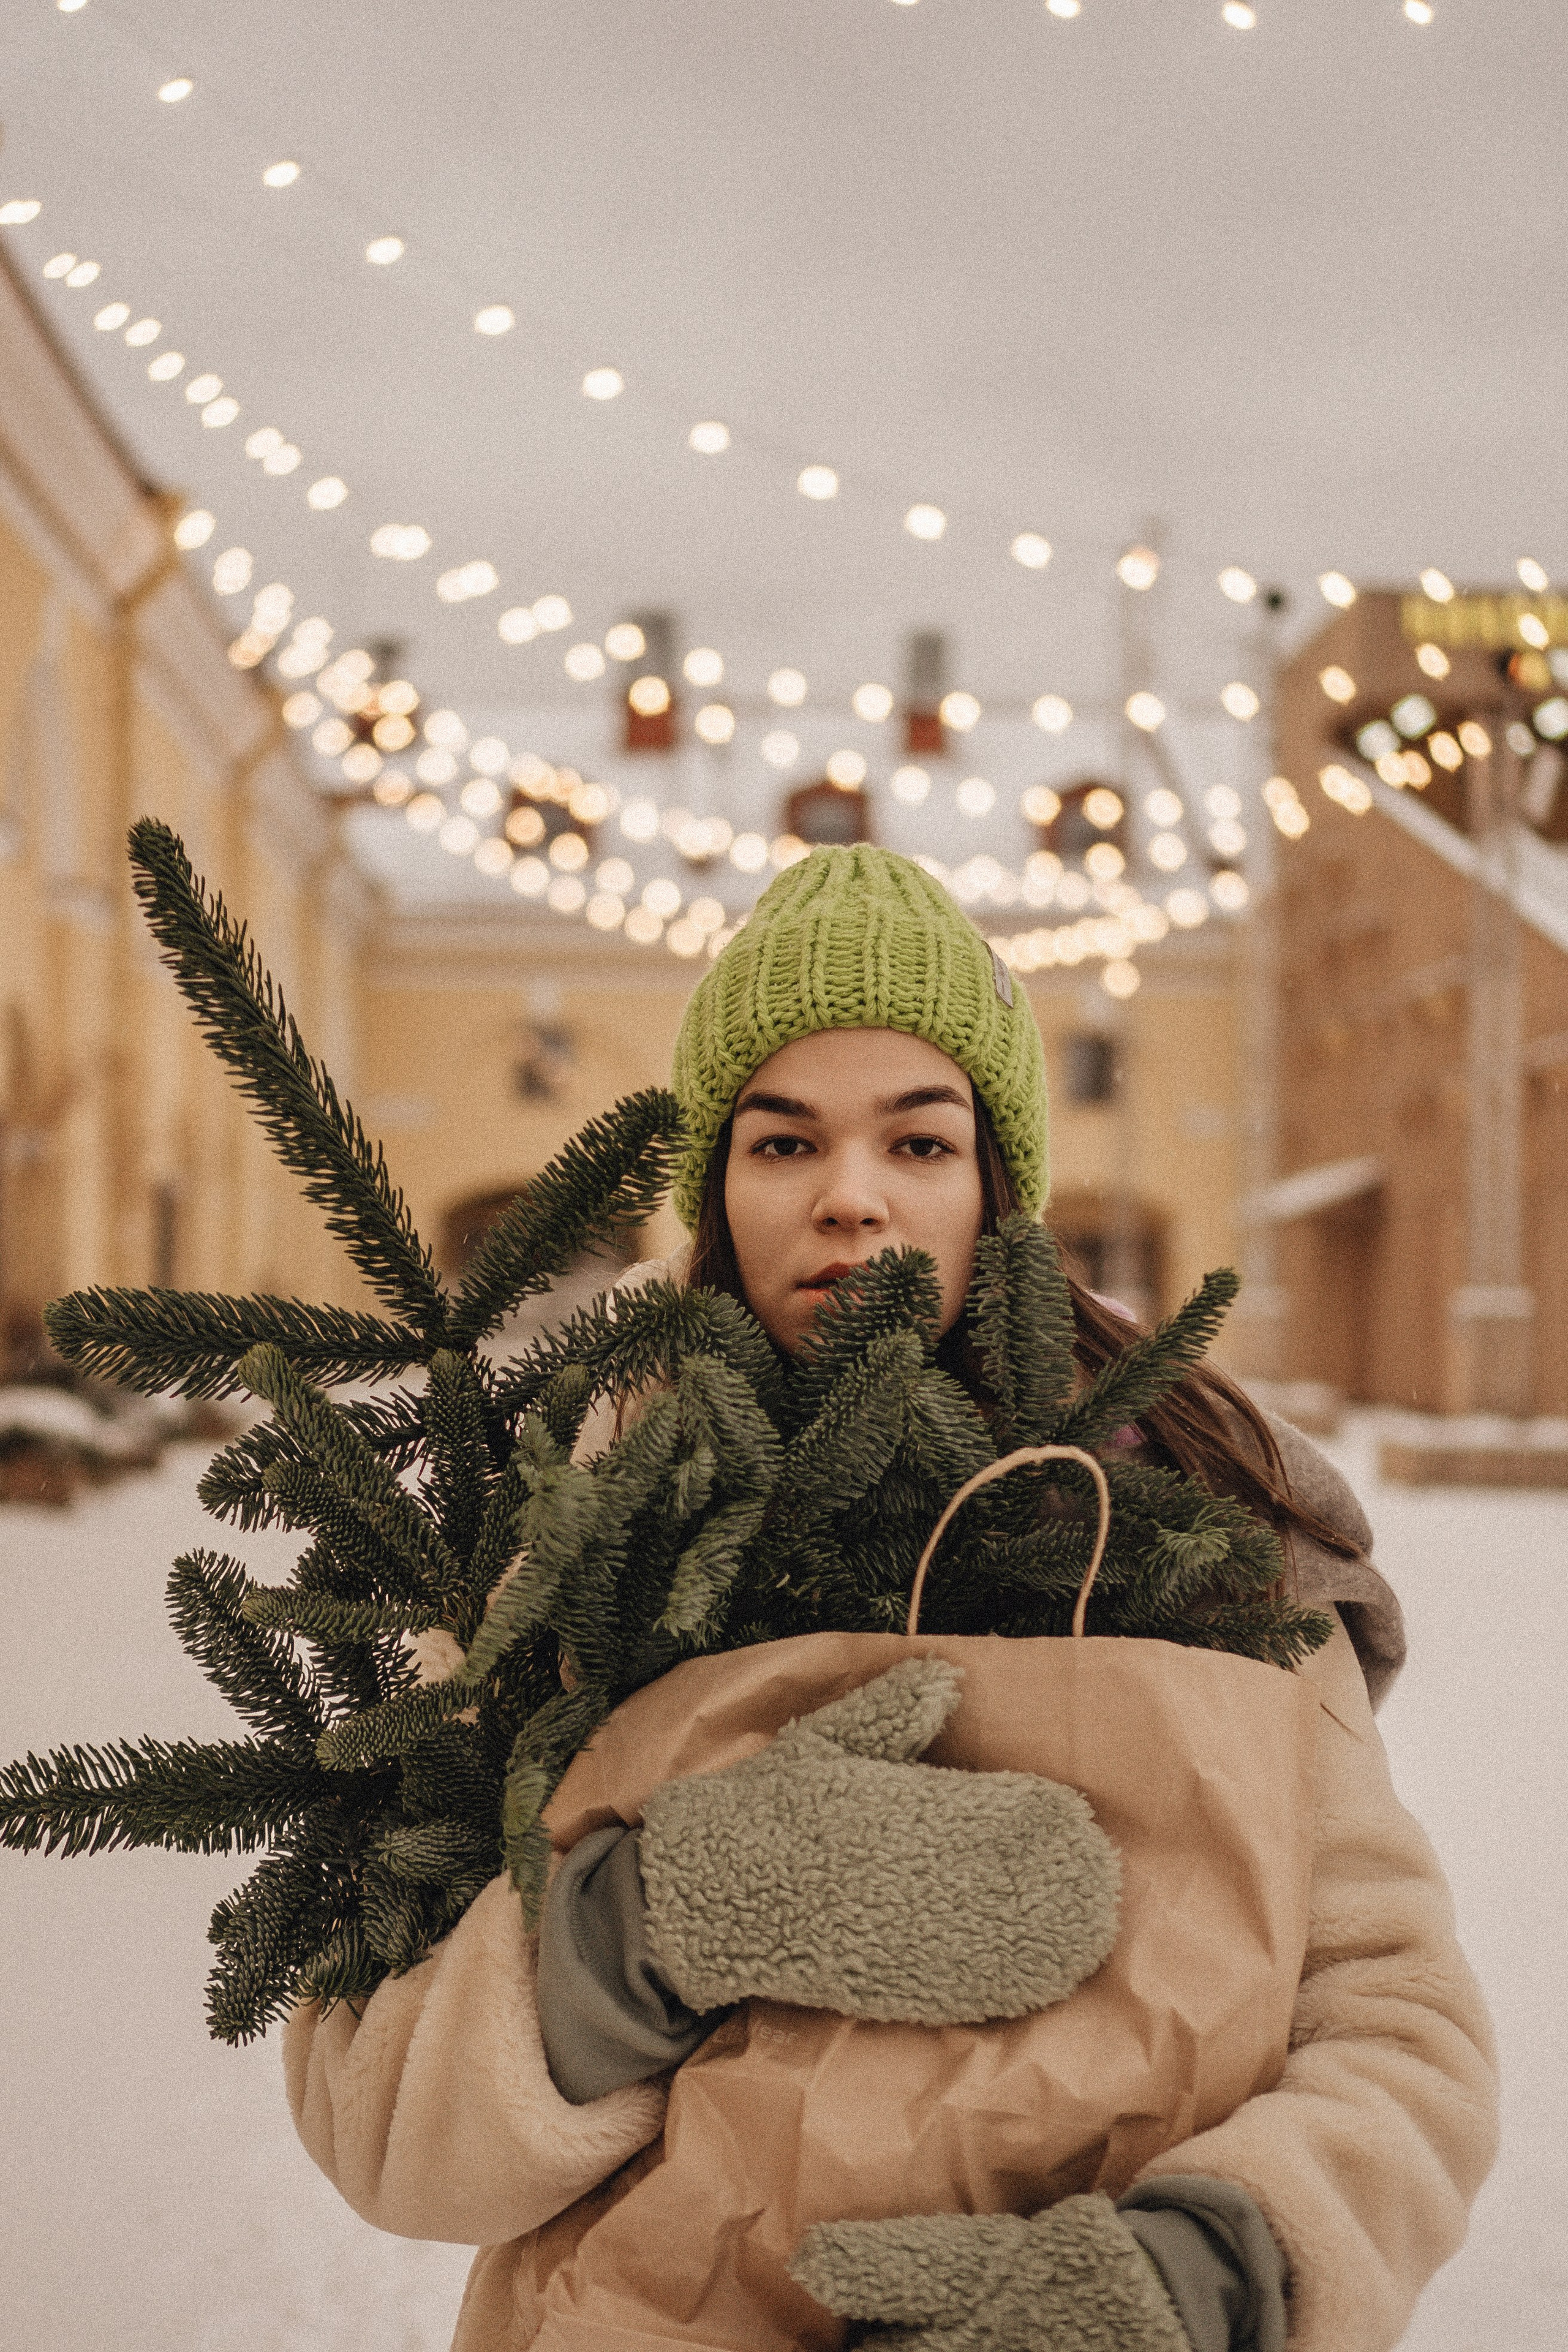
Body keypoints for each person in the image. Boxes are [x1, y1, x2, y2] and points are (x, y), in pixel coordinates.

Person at [285, 845, 1497, 2352]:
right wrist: (651, 1926)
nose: (850, 1200)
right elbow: (376, 2113)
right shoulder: (566, 1537)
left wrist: (1196, 2278)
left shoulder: (1192, 1526)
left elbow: (1394, 2029)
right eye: (782, 1145)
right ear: (714, 1190)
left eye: (917, 1145)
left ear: (996, 1182)